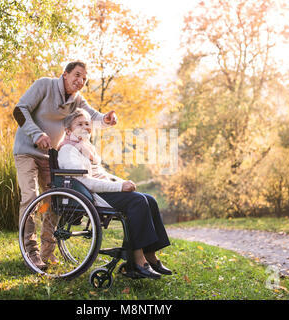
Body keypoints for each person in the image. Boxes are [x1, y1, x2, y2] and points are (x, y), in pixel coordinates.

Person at [13, 61, 117, 270]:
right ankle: (30, 252)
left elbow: (92, 116)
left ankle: (47, 252)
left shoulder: (76, 99)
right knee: (31, 198)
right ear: (65, 74)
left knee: (56, 202)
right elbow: (19, 110)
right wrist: (37, 134)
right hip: (26, 152)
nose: (80, 81)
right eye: (77, 75)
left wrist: (106, 119)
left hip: (49, 156)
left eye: (84, 79)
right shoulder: (45, 85)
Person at [57, 108, 172, 279]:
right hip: (90, 193)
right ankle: (138, 261)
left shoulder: (85, 146)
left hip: (100, 188)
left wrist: (121, 182)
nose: (85, 127)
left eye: (87, 124)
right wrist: (119, 187)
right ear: (68, 130)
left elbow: (100, 173)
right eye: (79, 124)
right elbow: (86, 181)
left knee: (150, 199)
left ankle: (150, 254)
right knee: (138, 202)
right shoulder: (68, 150)